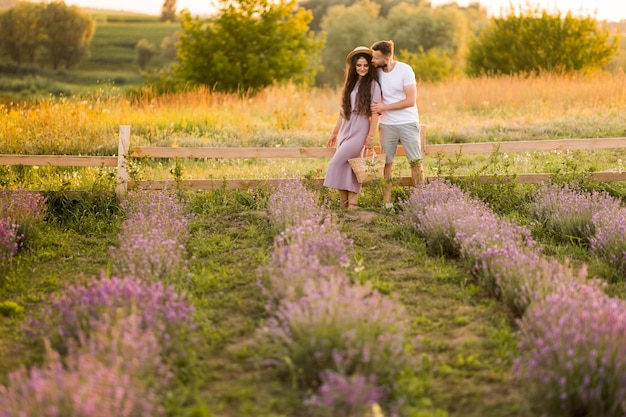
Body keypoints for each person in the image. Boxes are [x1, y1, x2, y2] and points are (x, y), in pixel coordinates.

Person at [324, 46, 382, 210]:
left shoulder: (373, 85)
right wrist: (334, 133)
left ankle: (353, 204)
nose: (362, 68)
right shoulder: (350, 84)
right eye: (359, 65)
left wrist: (370, 137)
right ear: (354, 67)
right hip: (346, 128)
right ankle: (347, 207)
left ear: (370, 66)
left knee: (337, 163)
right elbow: (342, 112)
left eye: (365, 65)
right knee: (346, 167)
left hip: (360, 128)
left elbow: (375, 113)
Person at [370, 40, 425, 209]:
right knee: (387, 163)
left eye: (376, 58)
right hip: (387, 125)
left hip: (408, 122)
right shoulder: (376, 73)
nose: (373, 60)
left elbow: (410, 100)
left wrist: (385, 107)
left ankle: (420, 201)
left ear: (386, 59)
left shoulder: (405, 70)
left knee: (415, 162)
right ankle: (387, 203)